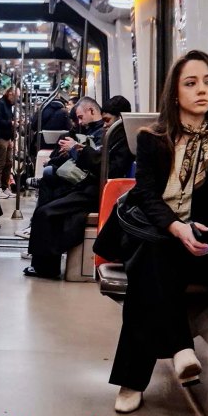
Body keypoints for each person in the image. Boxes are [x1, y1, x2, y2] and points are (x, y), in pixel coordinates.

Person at [108, 50, 208, 414]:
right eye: (191, 83)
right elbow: (145, 194)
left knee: (147, 285)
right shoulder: (152, 138)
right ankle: (180, 344)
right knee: (155, 254)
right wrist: (174, 226)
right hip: (147, 229)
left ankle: (132, 381)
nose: (202, 90)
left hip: (194, 233)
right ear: (174, 93)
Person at [24, 97, 133, 279]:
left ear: (120, 119)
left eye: (107, 121)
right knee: (50, 196)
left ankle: (45, 267)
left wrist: (80, 151)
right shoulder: (114, 138)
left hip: (97, 192)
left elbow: (109, 168)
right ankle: (44, 262)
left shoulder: (123, 140)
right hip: (90, 187)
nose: (105, 125)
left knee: (45, 213)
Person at [0, 86, 16, 197]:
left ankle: (4, 186)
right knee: (0, 164)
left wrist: (12, 138)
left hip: (7, 138)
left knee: (8, 164)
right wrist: (11, 123)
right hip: (0, 137)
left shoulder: (8, 105)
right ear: (10, 93)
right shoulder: (0, 104)